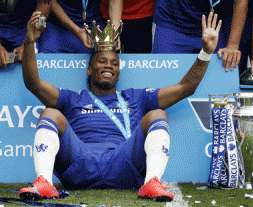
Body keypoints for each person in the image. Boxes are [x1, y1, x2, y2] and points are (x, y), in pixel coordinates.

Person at [19, 11, 221, 201]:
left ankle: (152, 182)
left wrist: (206, 52)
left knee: (157, 113)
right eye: (102, 61)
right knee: (49, 113)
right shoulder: (73, 98)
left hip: (124, 165)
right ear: (89, 70)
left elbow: (185, 88)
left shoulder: (136, 97)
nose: (109, 65)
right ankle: (44, 182)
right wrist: (29, 41)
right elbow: (33, 84)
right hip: (81, 166)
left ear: (119, 72)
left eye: (114, 63)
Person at [38, 0, 123, 53]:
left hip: (94, 24)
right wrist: (77, 31)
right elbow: (47, 2)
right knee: (48, 60)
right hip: (58, 25)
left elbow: (114, 1)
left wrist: (114, 31)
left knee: (106, 60)